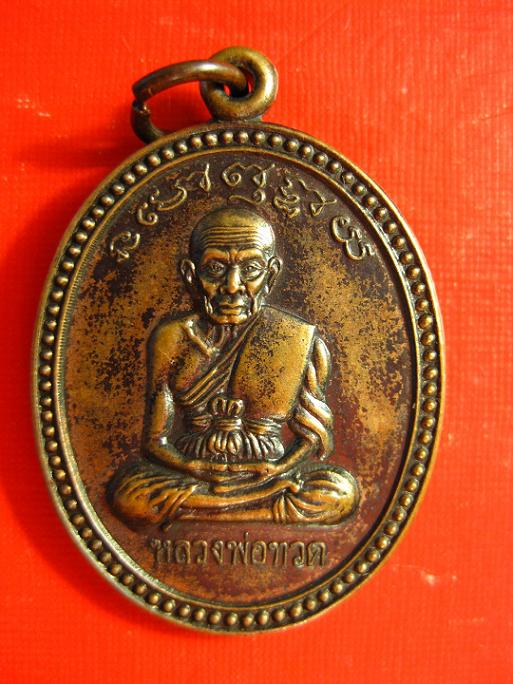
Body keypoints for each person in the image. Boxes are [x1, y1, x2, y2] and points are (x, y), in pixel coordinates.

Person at [109, 206, 359, 527]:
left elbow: (311, 439)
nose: (232, 285)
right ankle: (256, 510)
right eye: (215, 269)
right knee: (128, 493)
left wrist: (278, 469)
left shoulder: (296, 338)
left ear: (271, 273)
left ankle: (209, 511)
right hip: (195, 474)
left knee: (339, 492)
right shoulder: (173, 338)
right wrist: (192, 466)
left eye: (250, 268)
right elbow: (155, 441)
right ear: (191, 274)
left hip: (266, 474)